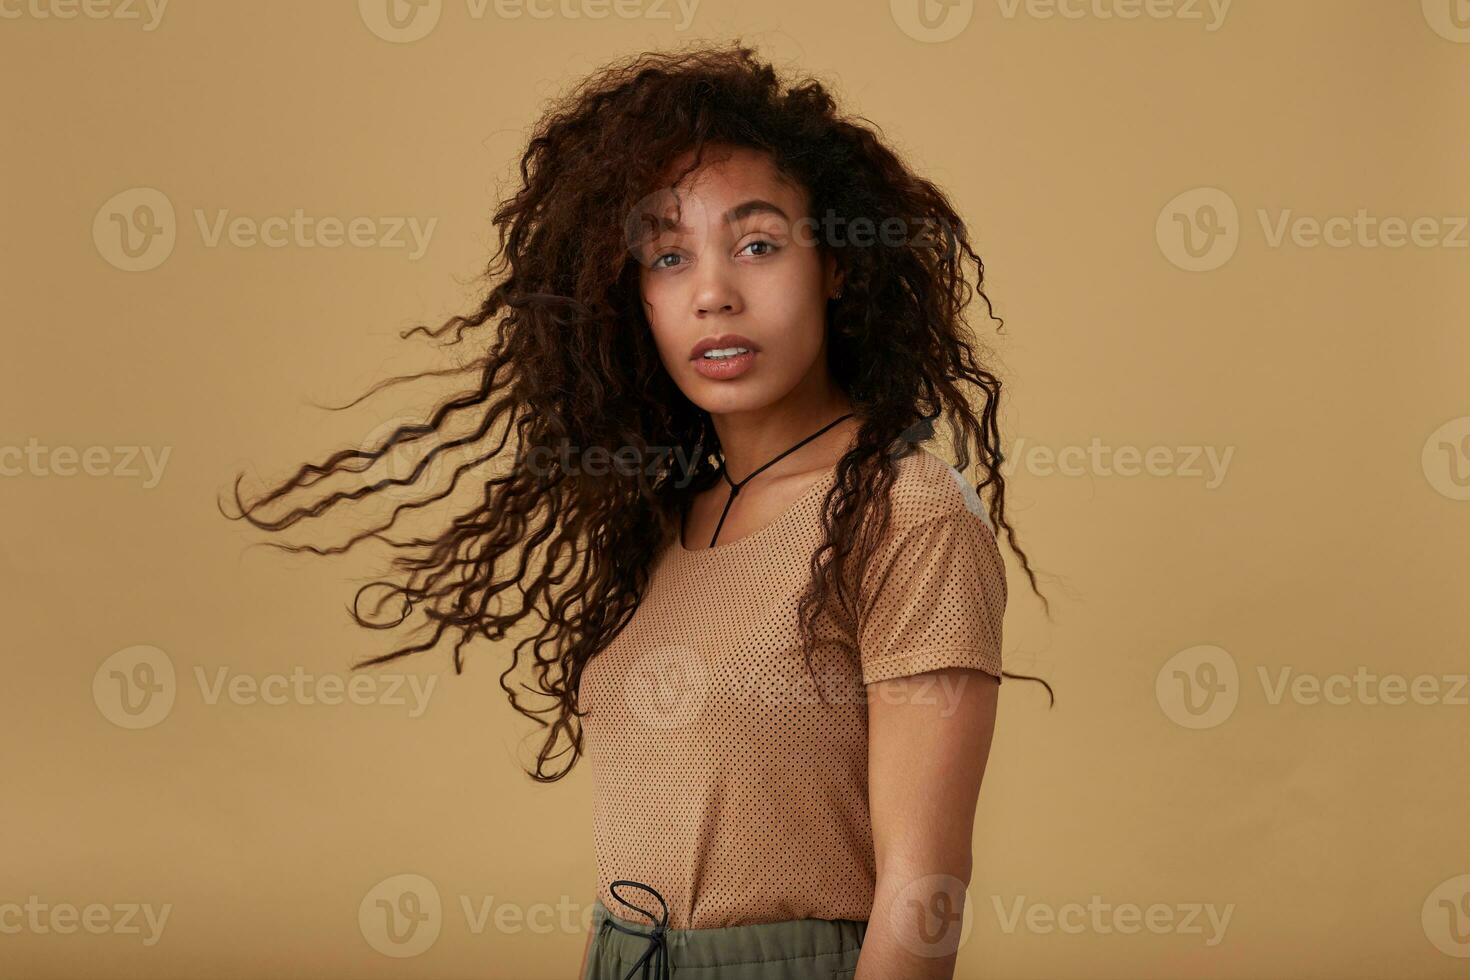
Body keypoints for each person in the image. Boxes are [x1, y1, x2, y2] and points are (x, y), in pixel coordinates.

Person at [229, 42, 1051, 980]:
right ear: (634, 298)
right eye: (668, 255)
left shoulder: (904, 513)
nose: (713, 295)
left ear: (837, 266)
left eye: (757, 244)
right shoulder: (666, 518)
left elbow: (924, 891)